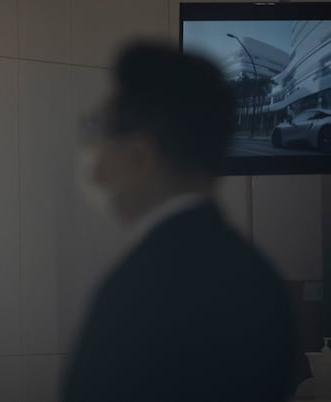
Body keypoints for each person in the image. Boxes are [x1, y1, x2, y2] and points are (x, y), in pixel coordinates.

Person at [61, 42, 298, 402]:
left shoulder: (135, 294)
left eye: (100, 128)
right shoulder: (262, 279)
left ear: (140, 155)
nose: (94, 154)